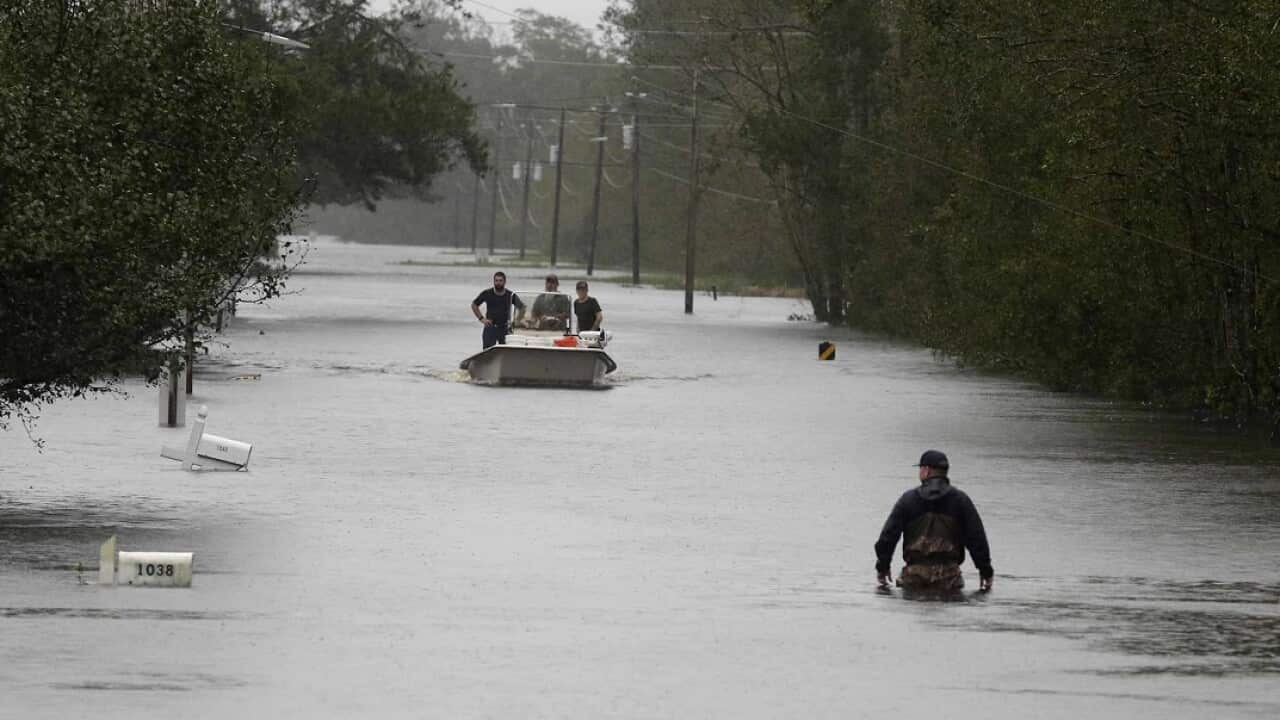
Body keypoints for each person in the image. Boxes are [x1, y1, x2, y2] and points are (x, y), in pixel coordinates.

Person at [874, 450, 993, 593]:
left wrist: (883, 567)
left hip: (913, 577)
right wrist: (985, 570)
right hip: (950, 579)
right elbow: (976, 538)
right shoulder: (960, 500)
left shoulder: (908, 499)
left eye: (920, 469)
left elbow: (888, 536)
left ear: (927, 471)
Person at [470, 271, 525, 348]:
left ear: (504, 282)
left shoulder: (510, 295)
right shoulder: (487, 293)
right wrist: (481, 319)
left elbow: (522, 308)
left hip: (505, 328)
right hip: (490, 326)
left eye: (500, 281)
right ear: (494, 281)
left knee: (506, 351)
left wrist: (516, 321)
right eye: (496, 280)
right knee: (487, 352)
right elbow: (474, 305)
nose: (498, 283)